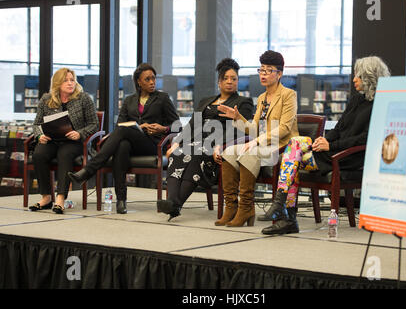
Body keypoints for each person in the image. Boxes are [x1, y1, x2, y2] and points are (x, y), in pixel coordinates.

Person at [260, 56, 391, 235]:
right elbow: (339, 128)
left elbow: (366, 138)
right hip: (333, 151)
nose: (354, 80)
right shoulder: (356, 100)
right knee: (295, 147)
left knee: (292, 156)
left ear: (369, 77)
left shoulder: (382, 104)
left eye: (357, 76)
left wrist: (332, 145)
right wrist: (324, 140)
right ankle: (283, 209)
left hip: (349, 157)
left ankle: (286, 214)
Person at [68, 63, 179, 214]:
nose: (152, 82)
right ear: (139, 82)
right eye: (147, 79)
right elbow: (121, 123)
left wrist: (163, 128)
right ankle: (121, 201)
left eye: (153, 78)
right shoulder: (129, 100)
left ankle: (88, 170)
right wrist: (141, 126)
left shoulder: (162, 98)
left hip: (152, 144)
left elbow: (177, 125)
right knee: (122, 145)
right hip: (131, 142)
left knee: (122, 132)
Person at [157, 58, 254, 221]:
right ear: (219, 82)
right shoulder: (205, 101)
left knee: (196, 155)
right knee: (176, 153)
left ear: (238, 82)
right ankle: (173, 203)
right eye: (226, 78)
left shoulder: (243, 102)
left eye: (234, 79)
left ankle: (175, 204)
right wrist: (176, 142)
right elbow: (191, 125)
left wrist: (220, 146)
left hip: (217, 144)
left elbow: (239, 130)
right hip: (195, 141)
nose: (230, 82)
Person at [215, 50, 299, 227]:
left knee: (249, 152)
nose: (263, 74)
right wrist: (237, 118)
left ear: (279, 74)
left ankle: (246, 207)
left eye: (269, 70)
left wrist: (257, 141)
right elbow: (254, 129)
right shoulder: (262, 98)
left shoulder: (288, 95)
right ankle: (231, 206)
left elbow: (284, 128)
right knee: (228, 152)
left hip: (281, 147)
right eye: (261, 70)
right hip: (263, 145)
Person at [30, 68, 99, 214]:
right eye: (65, 80)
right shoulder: (46, 99)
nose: (70, 83)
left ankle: (60, 198)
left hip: (74, 142)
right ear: (57, 83)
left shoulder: (84, 98)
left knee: (64, 154)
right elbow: (36, 124)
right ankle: (46, 197)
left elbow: (94, 124)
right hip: (52, 140)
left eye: (72, 80)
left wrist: (79, 133)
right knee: (38, 154)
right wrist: (39, 136)